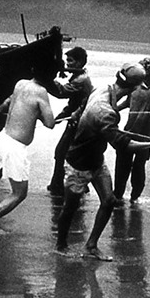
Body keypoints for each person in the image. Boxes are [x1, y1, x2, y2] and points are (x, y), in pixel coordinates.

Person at [55, 63, 150, 261]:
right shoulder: (106, 113)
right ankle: (61, 245)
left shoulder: (104, 88)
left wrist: (77, 116)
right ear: (135, 88)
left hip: (96, 159)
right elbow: (123, 145)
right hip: (79, 163)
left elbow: (84, 104)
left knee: (109, 200)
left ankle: (91, 246)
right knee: (70, 207)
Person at [0, 65, 57, 234]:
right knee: (19, 193)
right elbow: (50, 123)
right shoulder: (41, 92)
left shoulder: (20, 83)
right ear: (50, 77)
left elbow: (9, 100)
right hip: (14, 147)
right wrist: (39, 115)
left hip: (1, 138)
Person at [113, 57, 150, 206]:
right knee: (122, 166)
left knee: (139, 168)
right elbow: (125, 104)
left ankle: (135, 197)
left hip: (145, 135)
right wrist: (112, 108)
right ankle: (118, 195)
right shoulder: (133, 87)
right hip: (128, 131)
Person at [47, 47, 93, 196]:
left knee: (63, 152)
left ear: (79, 62)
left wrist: (45, 77)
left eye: (71, 61)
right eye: (67, 61)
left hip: (80, 122)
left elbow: (61, 92)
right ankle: (63, 185)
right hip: (76, 119)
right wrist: (61, 116)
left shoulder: (80, 79)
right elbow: (73, 102)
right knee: (67, 153)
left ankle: (59, 187)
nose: (68, 64)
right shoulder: (78, 76)